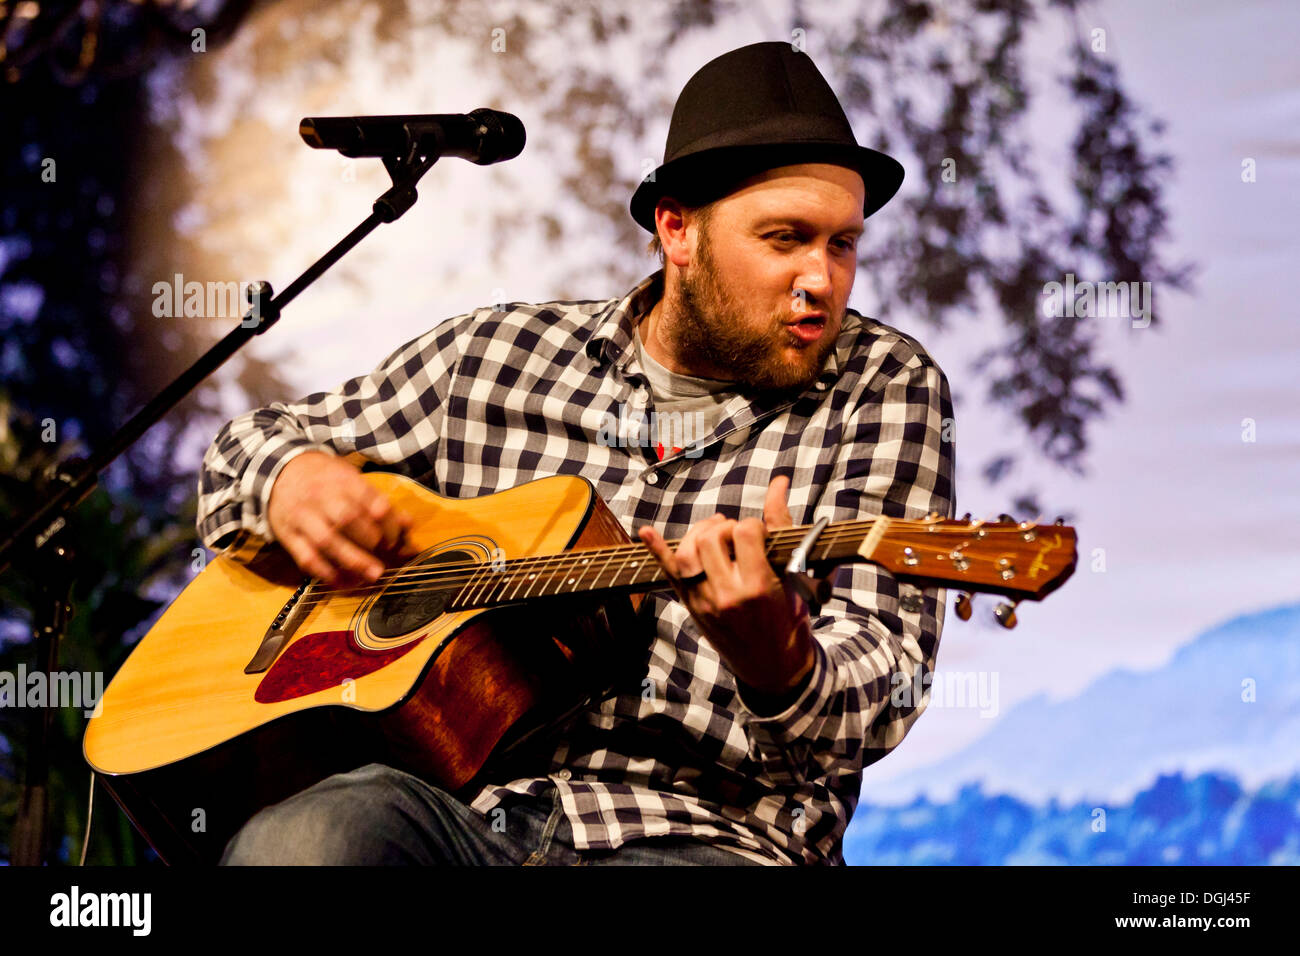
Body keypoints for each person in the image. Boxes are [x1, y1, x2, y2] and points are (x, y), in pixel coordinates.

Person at [198, 41, 956, 866]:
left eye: (842, 245)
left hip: (711, 837)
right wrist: (290, 479)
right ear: (678, 228)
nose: (822, 279)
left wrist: (782, 663)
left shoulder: (883, 384)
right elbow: (250, 444)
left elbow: (886, 676)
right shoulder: (496, 355)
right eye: (785, 239)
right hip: (464, 815)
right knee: (304, 841)